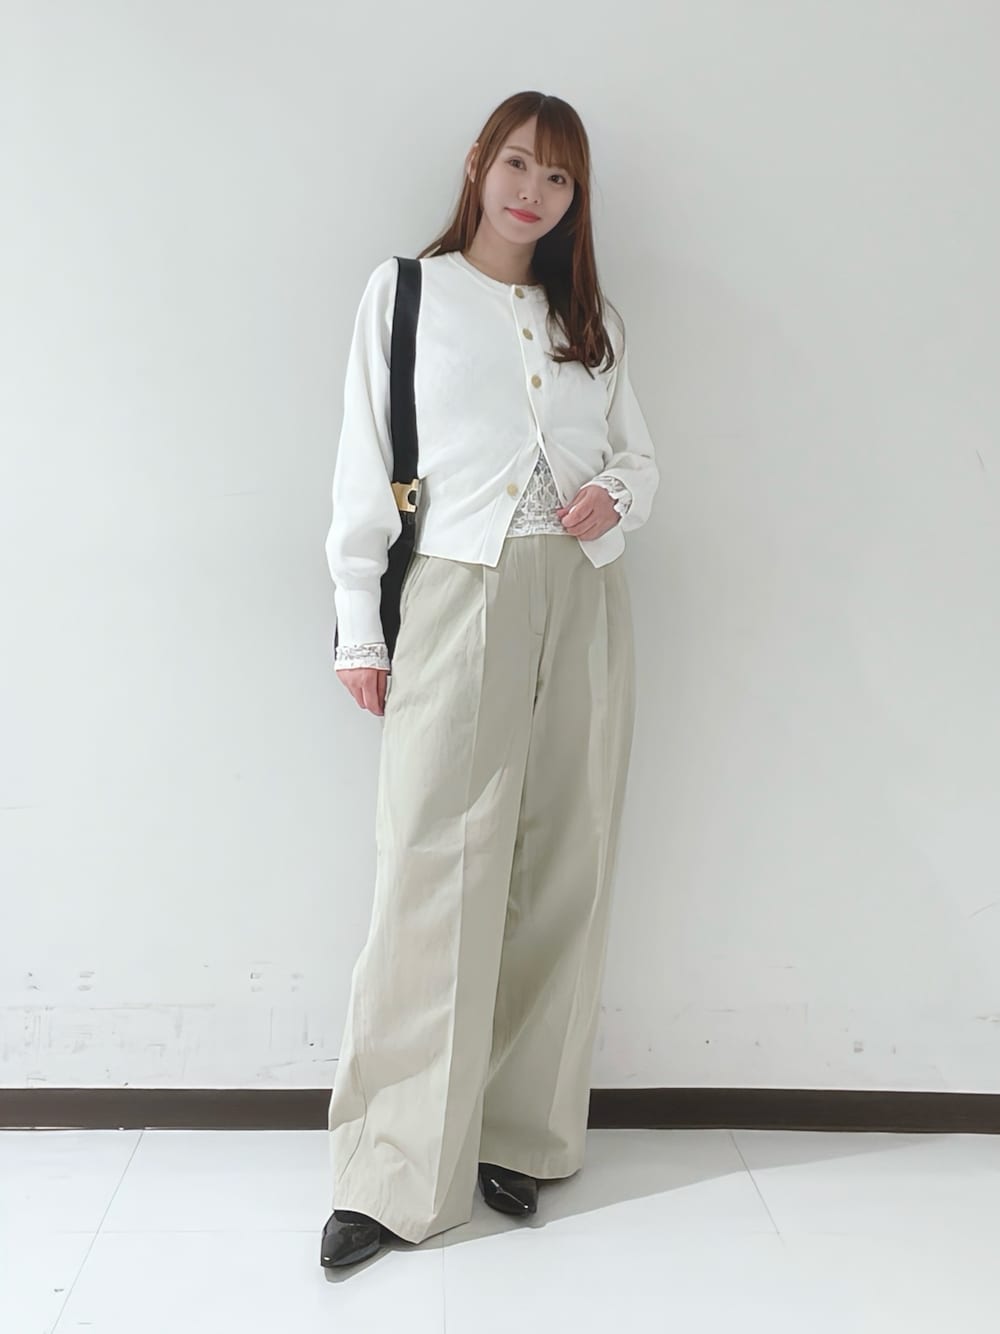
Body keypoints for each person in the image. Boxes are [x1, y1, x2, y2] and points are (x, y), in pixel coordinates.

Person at [320, 89, 659, 1269]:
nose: (534, 190)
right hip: (457, 587)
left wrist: (617, 494)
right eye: (519, 162)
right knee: (433, 866)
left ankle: (522, 1132)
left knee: (568, 854)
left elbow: (638, 454)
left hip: (586, 592)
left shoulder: (589, 318)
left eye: (559, 177)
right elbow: (364, 459)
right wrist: (358, 627)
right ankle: (392, 1168)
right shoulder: (406, 292)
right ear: (478, 163)